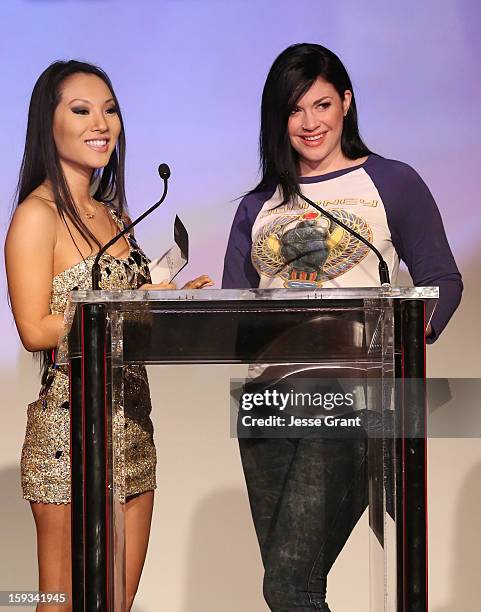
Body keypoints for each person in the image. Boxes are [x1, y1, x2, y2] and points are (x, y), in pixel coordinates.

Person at [222, 43, 462, 611]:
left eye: (322, 105)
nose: (310, 123)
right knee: (289, 593)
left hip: (349, 395)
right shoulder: (257, 206)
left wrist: (404, 343)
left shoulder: (392, 182)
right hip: (266, 403)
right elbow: (233, 316)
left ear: (347, 104)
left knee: (288, 586)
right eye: (295, 110)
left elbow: (442, 281)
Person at [4, 60, 212, 612]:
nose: (101, 123)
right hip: (67, 433)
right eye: (81, 110)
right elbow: (33, 329)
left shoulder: (115, 214)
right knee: (59, 603)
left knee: (117, 604)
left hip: (133, 427)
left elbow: (132, 312)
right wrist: (116, 307)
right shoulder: (36, 215)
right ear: (47, 123)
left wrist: (165, 298)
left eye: (110, 109)